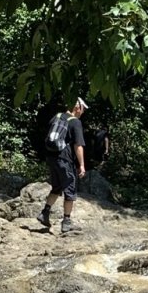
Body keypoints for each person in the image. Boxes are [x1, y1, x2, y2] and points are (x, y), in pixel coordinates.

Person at [40, 96, 87, 236]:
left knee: (56, 187)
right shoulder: (75, 122)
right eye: (83, 108)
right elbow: (78, 145)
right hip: (65, 159)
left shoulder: (57, 116)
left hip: (51, 157)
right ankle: (66, 223)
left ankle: (45, 213)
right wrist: (82, 165)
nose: (83, 112)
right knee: (70, 189)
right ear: (77, 107)